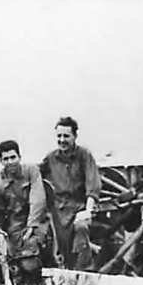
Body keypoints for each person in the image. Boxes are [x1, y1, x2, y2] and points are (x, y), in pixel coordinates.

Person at [39, 116, 100, 271]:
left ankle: (84, 272)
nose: (62, 140)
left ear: (75, 136)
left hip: (79, 207)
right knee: (58, 246)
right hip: (58, 210)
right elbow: (36, 176)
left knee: (81, 230)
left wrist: (88, 210)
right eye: (59, 136)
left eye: (66, 136)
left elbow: (93, 184)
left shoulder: (84, 155)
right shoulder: (51, 158)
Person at [0, 139, 51, 285]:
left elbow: (38, 198)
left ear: (19, 156)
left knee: (31, 258)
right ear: (1, 161)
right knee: (14, 266)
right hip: (15, 229)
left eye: (13, 157)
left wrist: (31, 226)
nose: (10, 162)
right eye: (6, 159)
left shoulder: (31, 171)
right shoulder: (0, 186)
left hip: (38, 222)